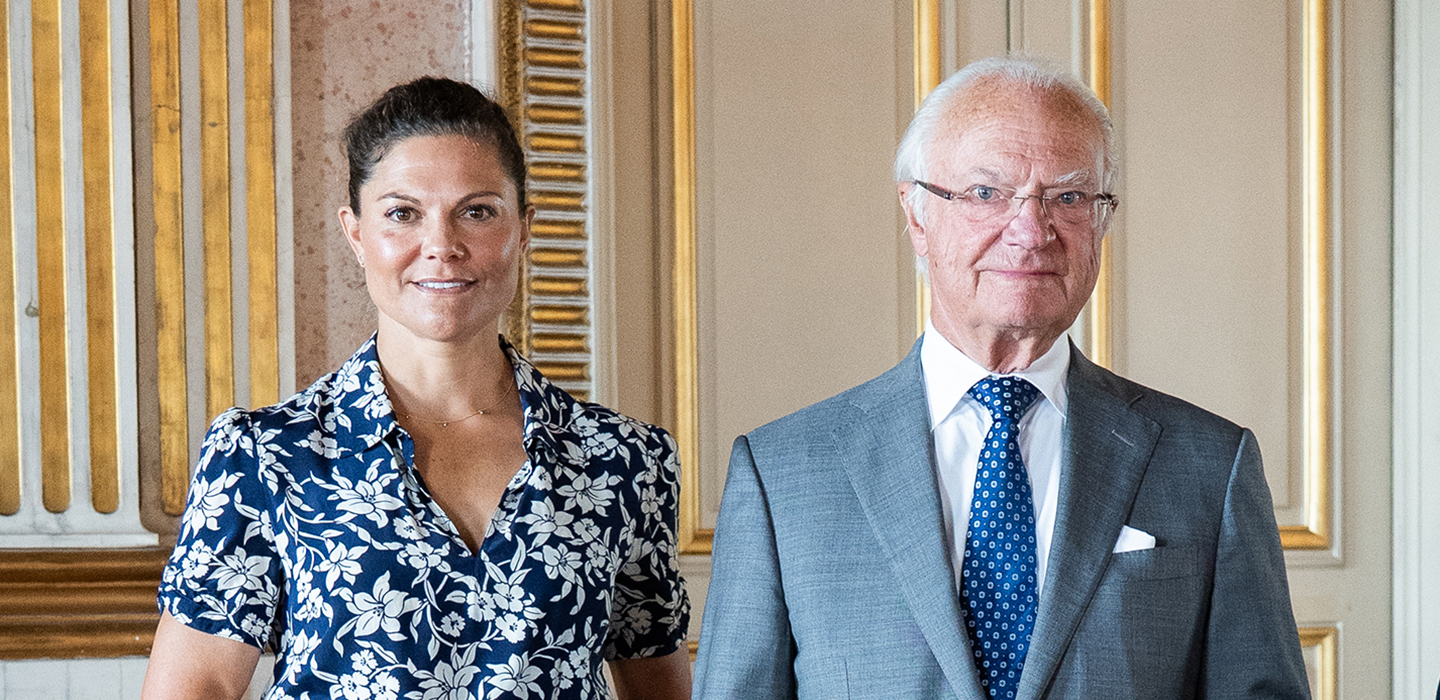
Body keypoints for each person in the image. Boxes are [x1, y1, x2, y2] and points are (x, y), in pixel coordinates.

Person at [692, 56, 1309, 699]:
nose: (1031, 232)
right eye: (986, 194)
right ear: (917, 216)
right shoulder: (781, 474)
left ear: (1102, 219)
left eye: (1068, 197)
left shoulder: (1211, 464)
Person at [143, 77, 691, 700]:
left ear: (523, 228)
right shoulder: (265, 456)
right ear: (356, 234)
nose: (442, 247)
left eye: (477, 212)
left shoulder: (623, 461)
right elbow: (195, 688)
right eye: (403, 214)